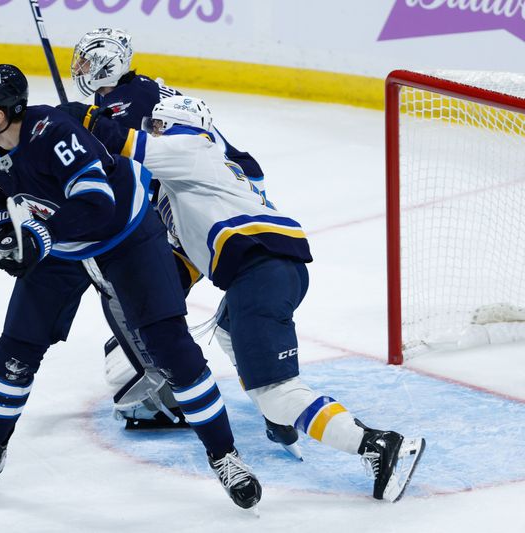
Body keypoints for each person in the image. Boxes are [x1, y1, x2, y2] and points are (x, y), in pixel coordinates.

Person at [67, 94, 426, 503]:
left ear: (173, 127)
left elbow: (120, 139)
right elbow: (188, 261)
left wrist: (83, 119)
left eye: (157, 126)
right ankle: (281, 414)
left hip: (262, 271)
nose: (152, 132)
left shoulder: (192, 149)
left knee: (277, 392)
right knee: (226, 331)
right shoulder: (184, 186)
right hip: (264, 271)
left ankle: (379, 445)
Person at [0, 64, 261, 510]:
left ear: (0, 117)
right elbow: (1, 186)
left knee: (171, 348)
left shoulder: (55, 133)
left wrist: (39, 238)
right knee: (16, 347)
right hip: (62, 243)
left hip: (126, 236)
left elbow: (96, 203)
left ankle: (226, 457)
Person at [65, 27, 301, 458]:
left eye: (84, 62)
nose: (77, 70)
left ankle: (181, 385)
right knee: (222, 315)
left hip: (209, 210)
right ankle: (267, 399)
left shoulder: (128, 99)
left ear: (106, 63)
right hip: (205, 204)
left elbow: (118, 148)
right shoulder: (133, 94)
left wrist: (71, 124)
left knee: (134, 294)